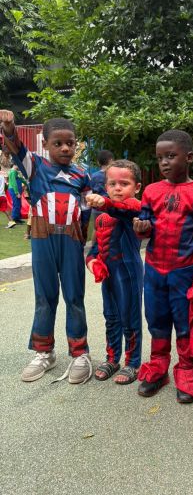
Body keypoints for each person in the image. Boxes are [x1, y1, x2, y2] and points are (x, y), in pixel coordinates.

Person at [0, 110, 92, 384]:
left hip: (71, 243)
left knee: (74, 297)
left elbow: (85, 212)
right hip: (43, 241)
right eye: (58, 143)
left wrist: (83, 241)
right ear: (45, 144)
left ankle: (80, 353)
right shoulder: (35, 166)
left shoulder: (82, 175)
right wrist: (9, 128)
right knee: (45, 296)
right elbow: (16, 147)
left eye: (70, 143)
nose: (65, 148)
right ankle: (44, 352)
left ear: (76, 145)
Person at [133, 129, 193, 403]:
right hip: (154, 269)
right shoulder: (151, 191)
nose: (164, 162)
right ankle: (158, 367)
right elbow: (145, 225)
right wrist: (141, 228)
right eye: (160, 158)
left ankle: (186, 371)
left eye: (170, 156)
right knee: (156, 319)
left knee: (184, 322)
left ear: (189, 157)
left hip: (185, 271)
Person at [86, 160, 144, 385]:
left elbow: (123, 210)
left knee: (130, 317)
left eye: (124, 183)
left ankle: (133, 362)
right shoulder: (101, 217)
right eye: (112, 184)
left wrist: (105, 202)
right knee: (111, 317)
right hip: (109, 276)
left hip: (128, 273)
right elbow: (94, 248)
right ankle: (112, 358)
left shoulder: (135, 210)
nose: (118, 188)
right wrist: (93, 263)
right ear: (106, 186)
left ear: (136, 187)